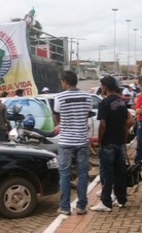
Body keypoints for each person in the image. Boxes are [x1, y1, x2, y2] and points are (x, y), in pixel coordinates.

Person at [90, 76, 132, 212]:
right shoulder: (122, 102)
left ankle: (106, 203)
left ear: (105, 87)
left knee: (107, 174)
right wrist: (124, 140)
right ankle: (121, 199)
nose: (101, 88)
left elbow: (102, 124)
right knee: (120, 172)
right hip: (120, 142)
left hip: (108, 143)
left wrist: (100, 140)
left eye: (101, 86)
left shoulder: (104, 103)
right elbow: (126, 124)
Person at [53, 70, 92, 215]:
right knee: (83, 174)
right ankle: (81, 207)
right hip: (82, 140)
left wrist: (64, 124)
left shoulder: (59, 97)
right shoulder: (87, 96)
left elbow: (57, 116)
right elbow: (86, 115)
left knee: (64, 174)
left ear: (65, 82)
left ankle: (64, 207)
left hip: (66, 141)